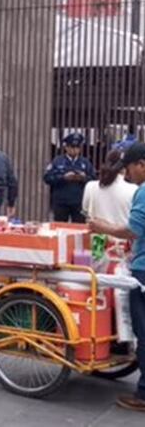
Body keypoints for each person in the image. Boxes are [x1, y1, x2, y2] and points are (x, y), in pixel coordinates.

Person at [88, 142, 145, 414]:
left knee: (142, 329)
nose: (129, 173)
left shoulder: (142, 191)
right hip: (129, 260)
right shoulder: (134, 190)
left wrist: (102, 226)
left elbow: (132, 230)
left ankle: (144, 394)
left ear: (141, 164)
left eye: (132, 168)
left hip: (136, 266)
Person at [44, 132, 97, 223]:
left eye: (77, 147)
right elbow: (47, 178)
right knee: (59, 228)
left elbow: (94, 179)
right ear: (66, 147)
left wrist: (83, 178)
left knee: (79, 229)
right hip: (61, 202)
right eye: (72, 147)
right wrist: (63, 177)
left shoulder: (85, 163)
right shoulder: (58, 161)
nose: (74, 150)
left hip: (79, 202)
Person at [82, 149, 137, 230]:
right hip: (122, 240)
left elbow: (85, 212)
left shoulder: (90, 186)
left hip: (96, 240)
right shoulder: (134, 189)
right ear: (125, 168)